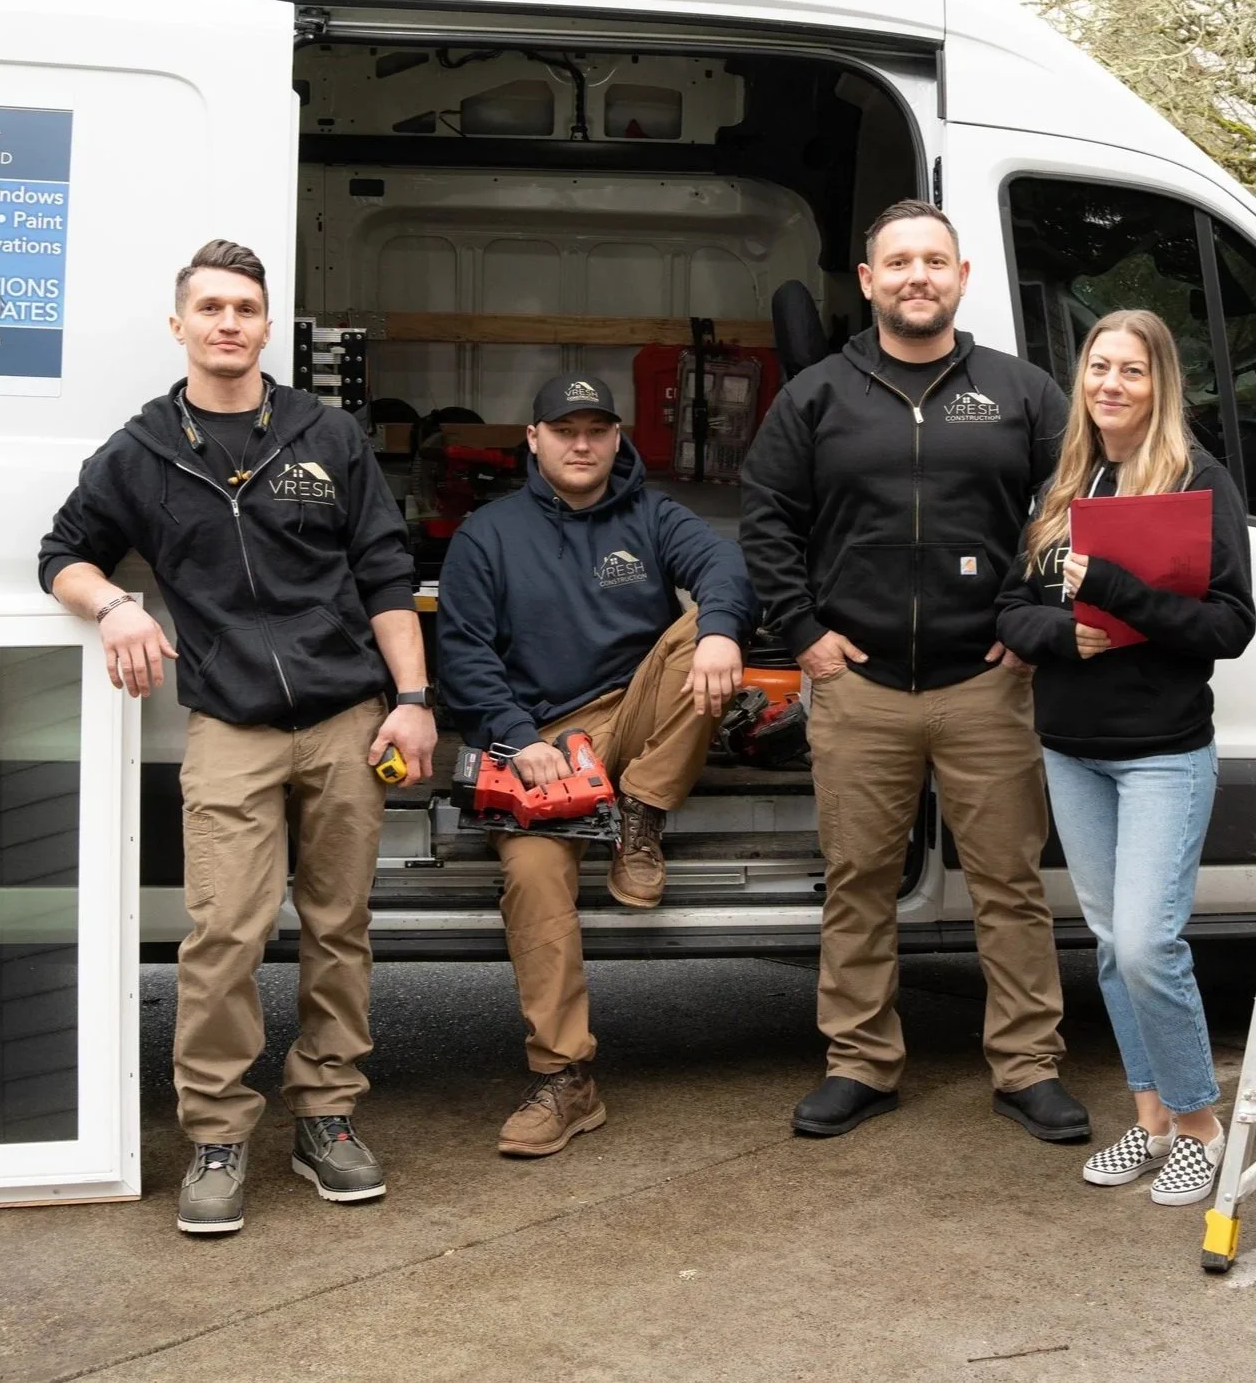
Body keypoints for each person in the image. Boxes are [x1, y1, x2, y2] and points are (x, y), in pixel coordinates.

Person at [38, 239, 437, 1237]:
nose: (227, 323)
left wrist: (413, 696)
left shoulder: (327, 435)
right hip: (232, 726)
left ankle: (328, 1116)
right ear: (180, 326)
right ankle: (218, 1135)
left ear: (267, 326)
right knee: (222, 934)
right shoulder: (142, 450)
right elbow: (62, 554)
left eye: (245, 308)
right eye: (209, 308)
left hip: (348, 718)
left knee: (340, 925)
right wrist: (114, 607)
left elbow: (387, 572)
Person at [741, 198, 1089, 1142]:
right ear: (868, 282)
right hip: (858, 688)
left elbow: (1072, 509)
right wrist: (804, 632)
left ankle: (1026, 1065)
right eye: (897, 263)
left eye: (934, 261)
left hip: (986, 684)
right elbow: (766, 515)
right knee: (857, 881)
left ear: (962, 276)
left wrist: (1036, 616)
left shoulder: (1020, 392)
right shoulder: (817, 394)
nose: (916, 278)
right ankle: (859, 1060)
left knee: (1009, 886)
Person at [437, 374, 755, 1156]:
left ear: (617, 440)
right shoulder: (489, 533)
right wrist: (520, 738)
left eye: (597, 430)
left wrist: (721, 629)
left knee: (698, 637)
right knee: (535, 876)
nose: (582, 444)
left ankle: (638, 814)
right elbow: (463, 653)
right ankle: (567, 1078)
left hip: (632, 713)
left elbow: (726, 568)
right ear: (534, 440)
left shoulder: (652, 515)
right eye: (565, 430)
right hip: (541, 736)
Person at [996, 309, 1254, 1206]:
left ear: (1161, 384)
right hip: (1072, 748)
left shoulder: (1197, 480)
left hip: (1161, 755)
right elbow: (1009, 612)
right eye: (1099, 367)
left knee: (1148, 944)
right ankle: (1147, 1120)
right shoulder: (1065, 479)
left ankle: (1199, 1125)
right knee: (1111, 946)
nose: (1111, 384)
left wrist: (1114, 592)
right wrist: (1068, 634)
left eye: (1131, 371)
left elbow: (1229, 626)